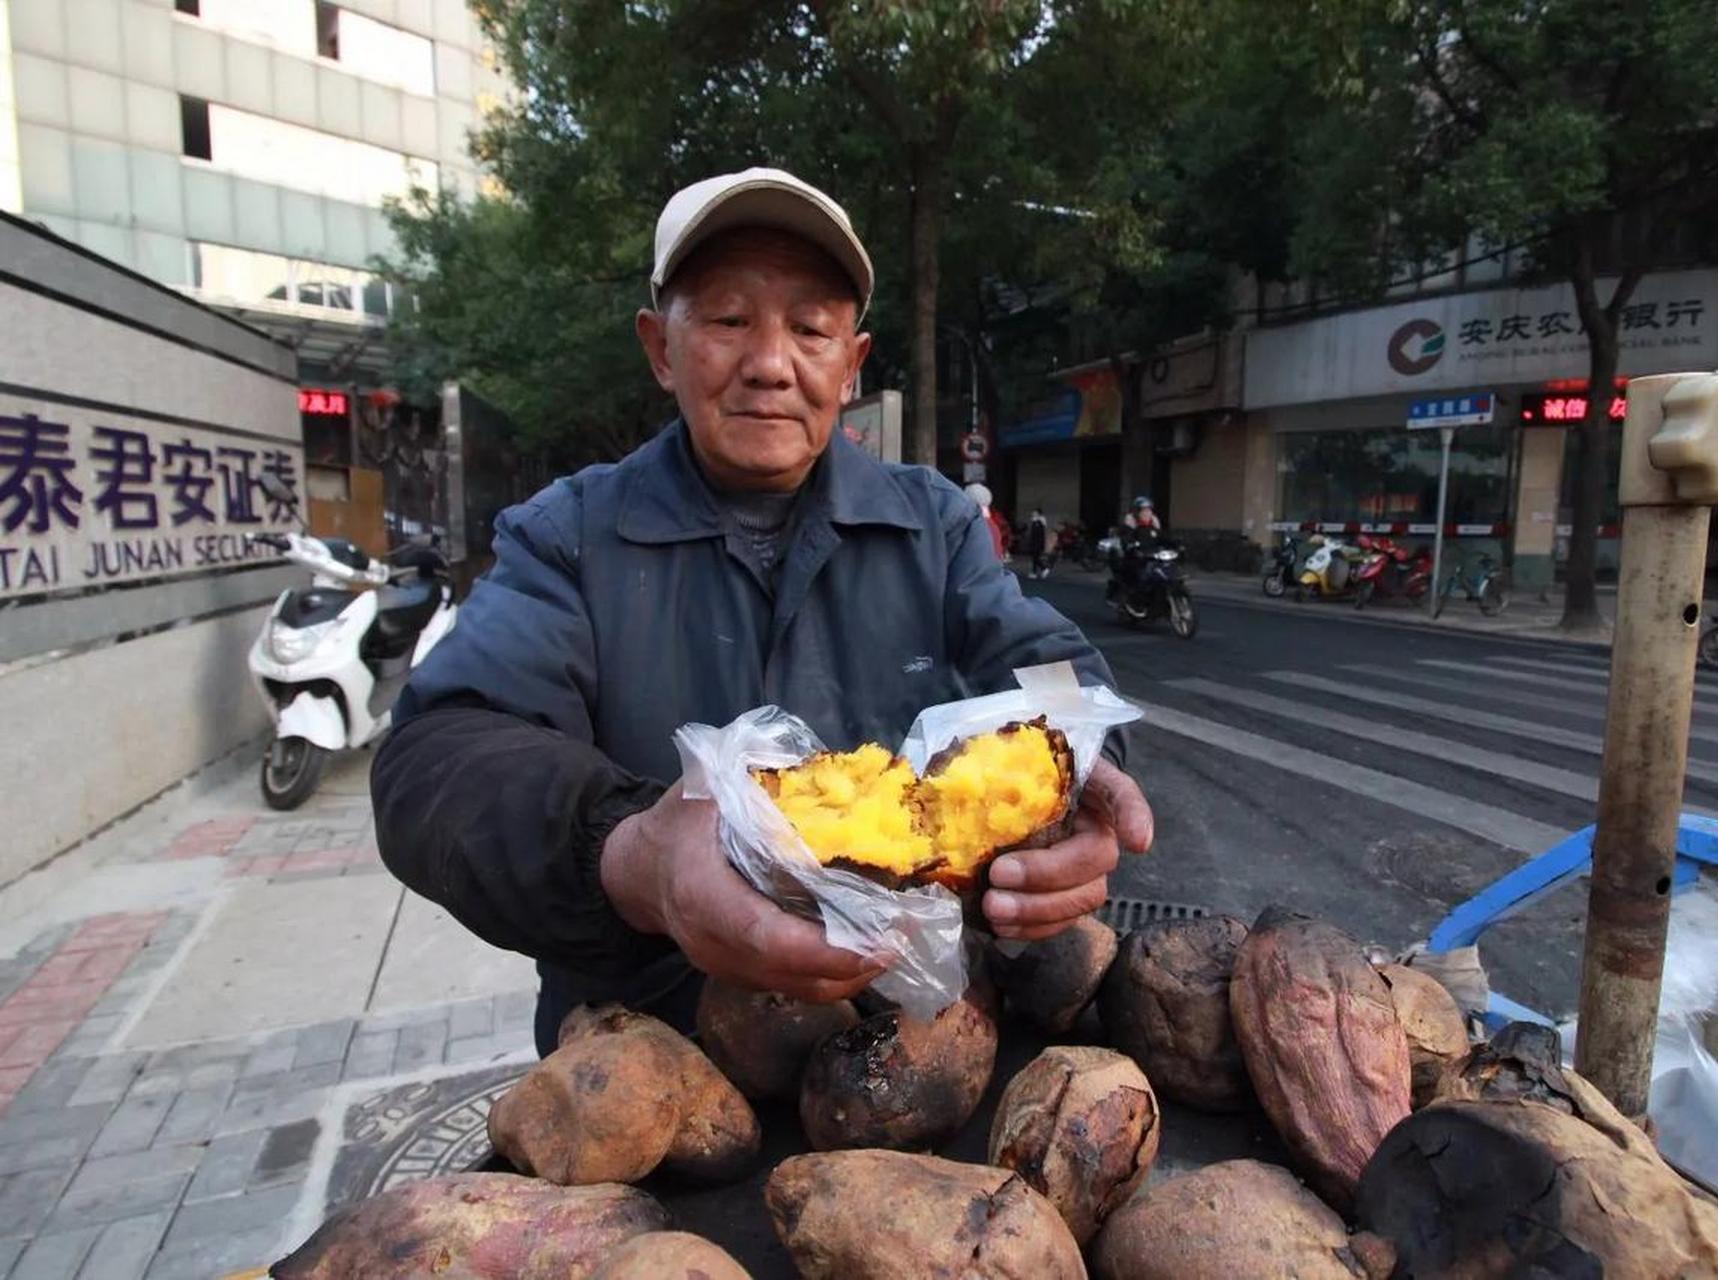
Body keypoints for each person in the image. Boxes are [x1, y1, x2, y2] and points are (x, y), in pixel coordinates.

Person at [370, 168, 1151, 1055]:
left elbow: (1045, 662)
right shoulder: (568, 537)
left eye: (811, 328)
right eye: (729, 320)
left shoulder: (932, 525)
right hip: (652, 1054)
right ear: (661, 348)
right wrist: (632, 861)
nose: (771, 365)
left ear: (851, 363)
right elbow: (439, 756)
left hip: (908, 1048)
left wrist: (1077, 751)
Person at [1022, 507, 1053, 579]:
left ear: (1038, 514)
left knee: (1035, 558)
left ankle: (1044, 568)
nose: (1032, 513)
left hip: (1037, 543)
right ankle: (1034, 572)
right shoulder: (1035, 522)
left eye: (1034, 512)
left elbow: (1038, 535)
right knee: (1034, 558)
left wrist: (1037, 544)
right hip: (1035, 543)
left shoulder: (1038, 522)